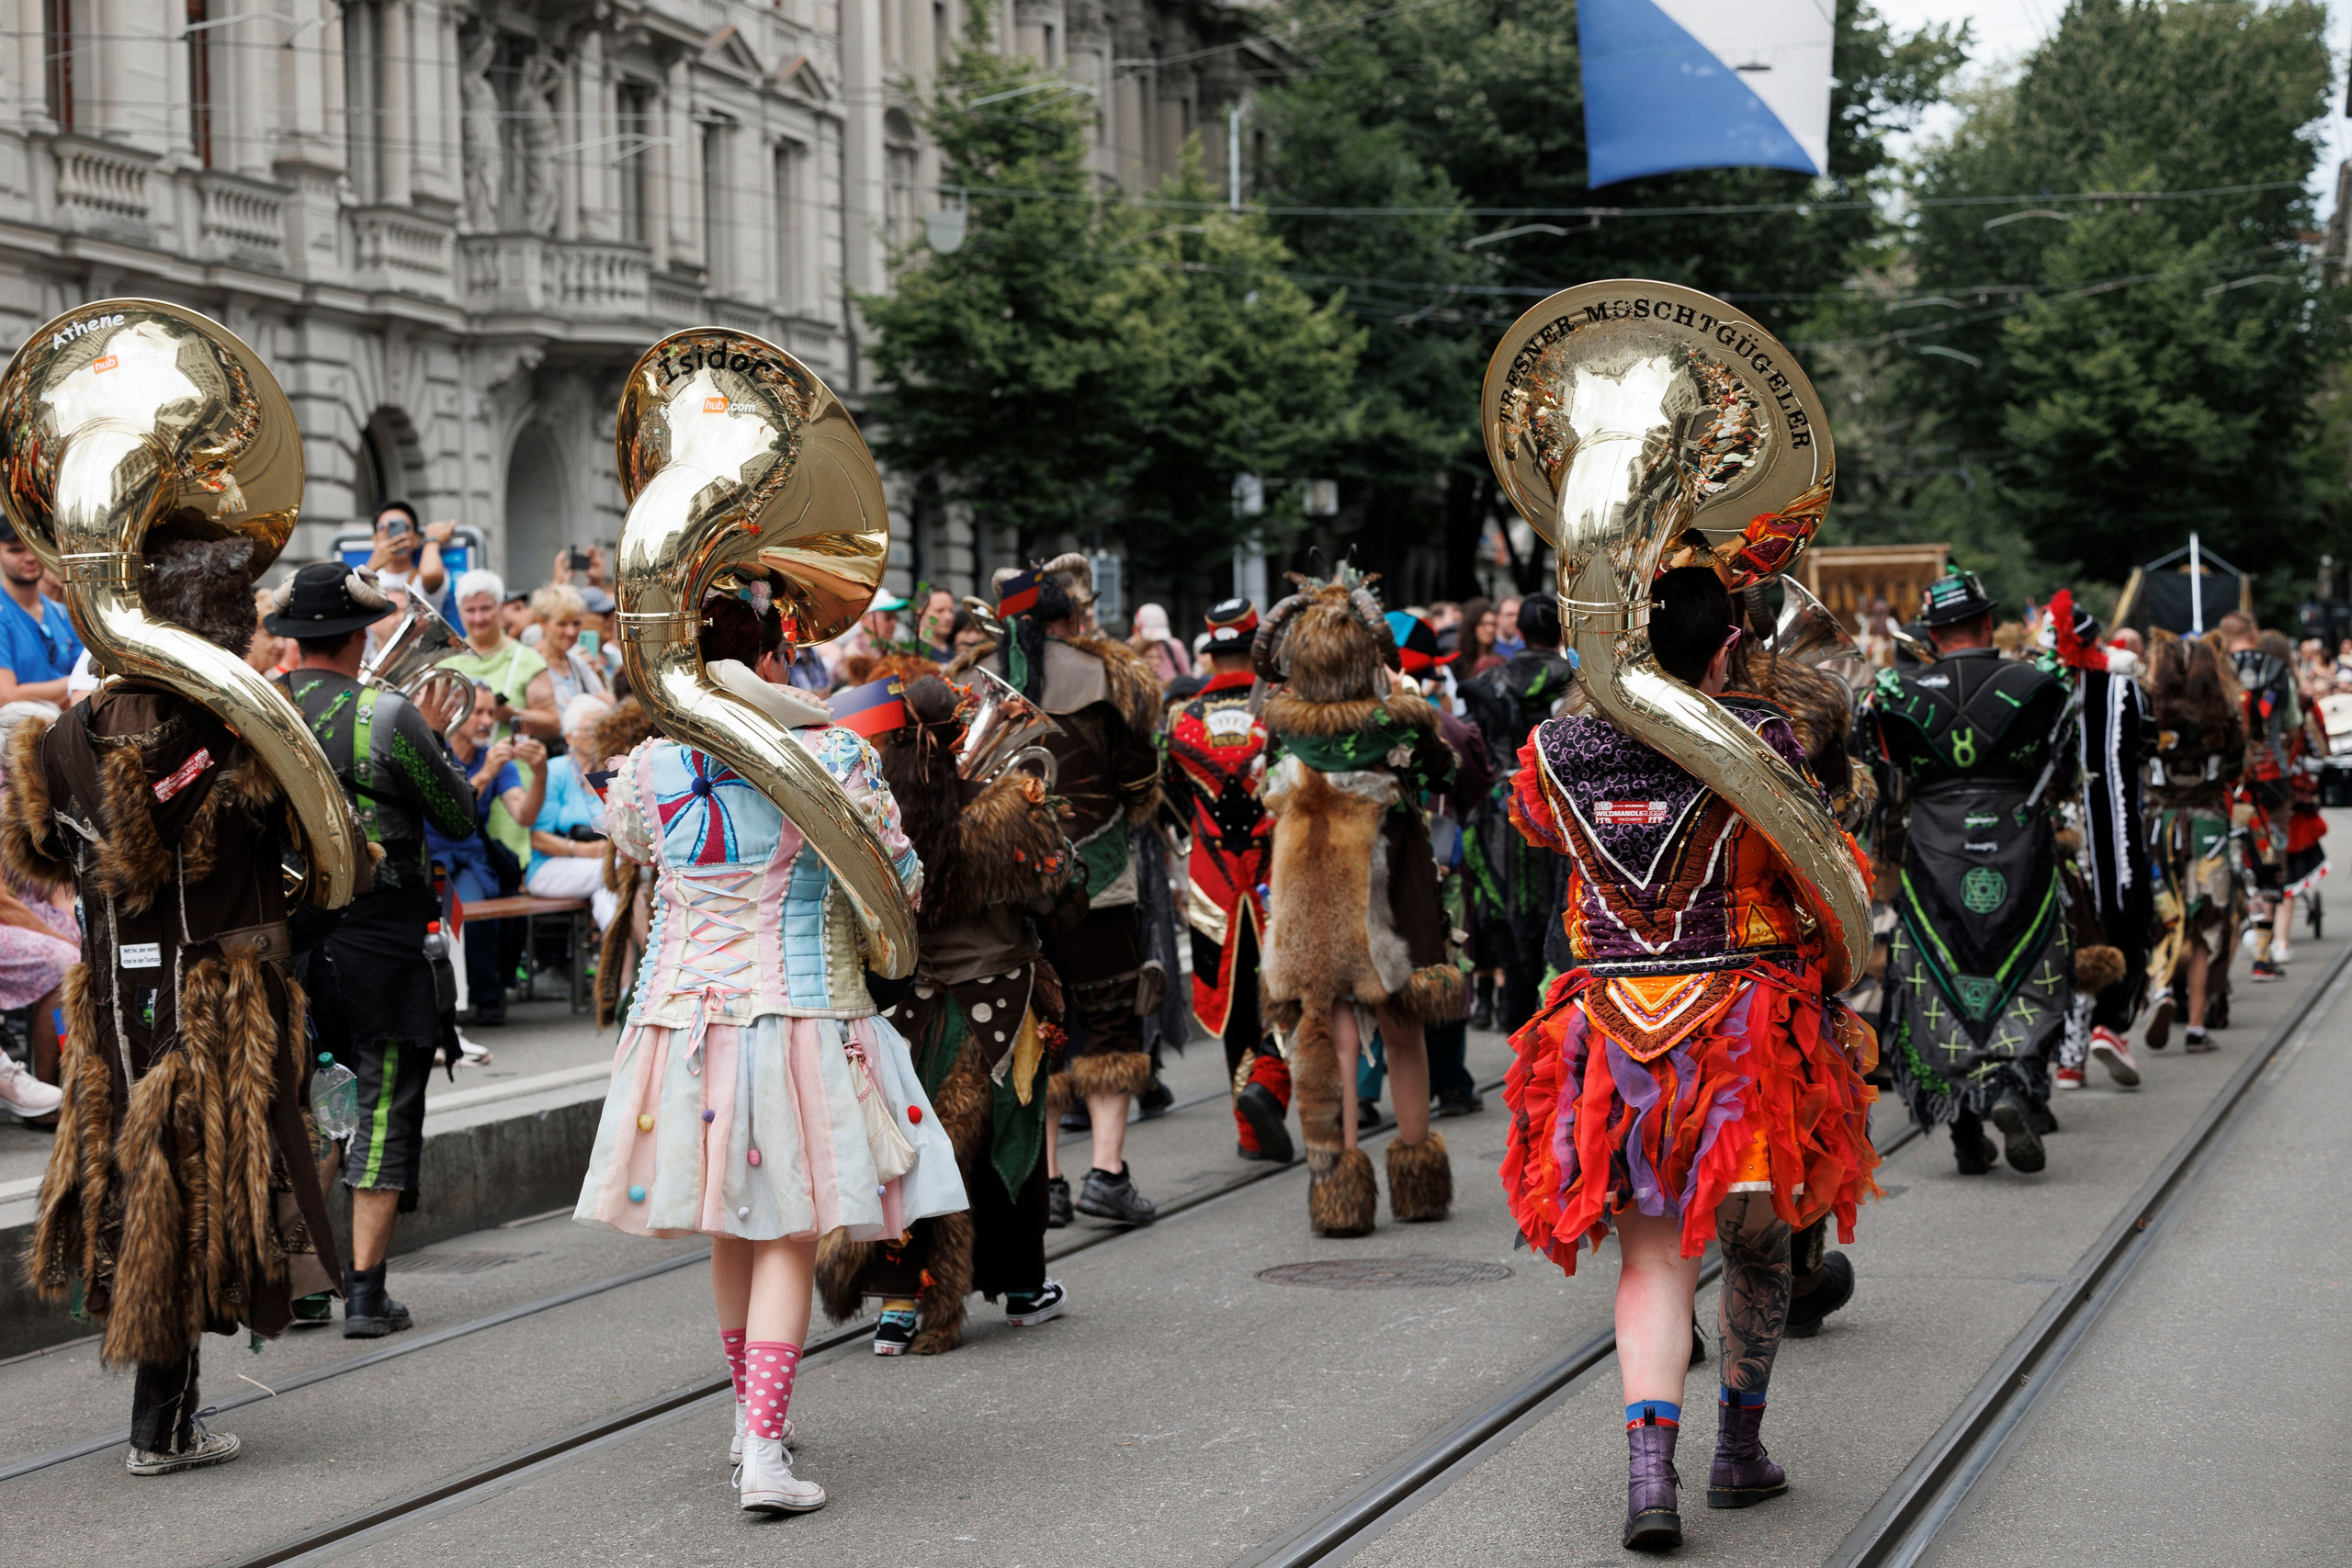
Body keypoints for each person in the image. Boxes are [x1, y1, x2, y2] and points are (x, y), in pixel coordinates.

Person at [1498, 567, 1879, 1551]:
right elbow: (1818, 869)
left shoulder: (1551, 747)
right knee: (1758, 1247)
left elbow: (1541, 833)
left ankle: (1647, 1478)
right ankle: (1735, 1453)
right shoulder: (1759, 737)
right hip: (1742, 1029)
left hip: (1611, 1027)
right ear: (1723, 649)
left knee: (1653, 1262)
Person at [573, 590, 962, 1514]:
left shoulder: (652, 763)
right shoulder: (833, 752)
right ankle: (763, 1450)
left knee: (729, 1223)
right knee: (789, 1223)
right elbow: (901, 877)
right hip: (799, 1013)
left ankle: (753, 1420)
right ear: (775, 654)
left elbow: (632, 839)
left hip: (679, 1021)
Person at [3, 535, 348, 1474]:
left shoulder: (71, 730)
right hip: (219, 995)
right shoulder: (233, 724)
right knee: (206, 1190)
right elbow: (329, 856)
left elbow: (39, 852)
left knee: (138, 1177)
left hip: (116, 992)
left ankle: (166, 1414)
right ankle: (164, 1426)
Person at [819, 673, 1077, 1352]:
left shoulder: (872, 820)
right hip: (1000, 1007)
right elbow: (1059, 889)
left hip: (910, 1010)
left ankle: (900, 1306)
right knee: (1007, 1150)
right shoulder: (1007, 810)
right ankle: (1021, 1289)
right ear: (956, 738)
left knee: (905, 1149)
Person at [272, 564, 479, 1333]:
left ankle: (296, 1281)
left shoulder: (255, 709)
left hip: (289, 941)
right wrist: (439, 738)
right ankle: (365, 1291)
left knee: (301, 1104)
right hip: (382, 937)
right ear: (360, 636)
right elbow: (457, 817)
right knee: (384, 1099)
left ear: (291, 640)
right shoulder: (389, 714)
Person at [959, 557, 1165, 1225]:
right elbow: (1140, 782)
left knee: (1033, 1022)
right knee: (1108, 1017)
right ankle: (1106, 1173)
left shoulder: (966, 681)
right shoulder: (1111, 673)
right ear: (1069, 617)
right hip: (1098, 878)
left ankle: (1045, 1181)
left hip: (1007, 889)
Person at [1254, 569, 1461, 1235]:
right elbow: (1443, 773)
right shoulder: (1393, 724)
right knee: (1402, 1021)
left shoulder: (1283, 727)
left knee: (1332, 1016)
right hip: (1386, 875)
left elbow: (1263, 786)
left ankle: (1341, 1178)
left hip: (1309, 880)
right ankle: (1417, 1176)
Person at [1867, 568, 2079, 1175]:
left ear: (1932, 633)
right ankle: (2011, 1087)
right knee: (2032, 966)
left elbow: (1884, 788)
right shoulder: (2041, 683)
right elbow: (2064, 775)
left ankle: (1962, 1126)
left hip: (1934, 847)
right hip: (2020, 845)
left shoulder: (1892, 691)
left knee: (1937, 979)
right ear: (1987, 623)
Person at [1163, 599, 1290, 1162]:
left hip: (1213, 880)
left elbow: (1169, 806)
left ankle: (1248, 1129)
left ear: (1210, 649)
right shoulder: (1280, 710)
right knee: (1290, 989)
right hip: (1275, 873)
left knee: (1233, 1001)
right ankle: (1271, 1080)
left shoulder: (1181, 720)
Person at [1459, 596, 1577, 1033]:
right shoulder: (1578, 680)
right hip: (1561, 816)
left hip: (1501, 820)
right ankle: (1552, 1031)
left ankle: (1517, 1033)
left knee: (1508, 925)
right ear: (1559, 633)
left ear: (1521, 632)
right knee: (1560, 921)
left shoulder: (1488, 683)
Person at [2046, 593, 2150, 1089]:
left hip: (2056, 833)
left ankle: (2068, 1057)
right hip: (2118, 835)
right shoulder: (2125, 691)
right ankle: (2110, 1025)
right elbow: (2148, 740)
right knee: (2123, 925)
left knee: (2070, 933)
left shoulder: (2040, 688)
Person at [2143, 632, 2245, 1054]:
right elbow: (2236, 770)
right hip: (2209, 829)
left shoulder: (2150, 714)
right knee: (2206, 929)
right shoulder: (2223, 716)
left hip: (2161, 826)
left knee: (2164, 916)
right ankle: (2198, 1026)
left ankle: (2163, 990)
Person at [439, 682, 548, 1026]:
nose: (487, 721)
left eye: (492, 713)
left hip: (471, 857)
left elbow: (524, 815)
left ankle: (489, 996)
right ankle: (450, 1003)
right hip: (433, 854)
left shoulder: (497, 760)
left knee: (478, 904)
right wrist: (485, 774)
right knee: (452, 903)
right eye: (478, 712)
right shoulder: (435, 750)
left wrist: (541, 773)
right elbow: (445, 817)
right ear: (457, 714)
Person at [527, 694, 618, 930]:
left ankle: (621, 964)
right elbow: (538, 839)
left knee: (610, 900)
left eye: (604, 728)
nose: (600, 735)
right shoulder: (555, 771)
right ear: (570, 737)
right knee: (618, 872)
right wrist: (583, 850)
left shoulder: (610, 773)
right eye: (592, 729)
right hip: (552, 866)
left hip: (601, 867)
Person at [0, 518, 83, 705]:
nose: (30, 557)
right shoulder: (3, 614)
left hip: (66, 725)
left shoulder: (63, 614)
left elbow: (88, 682)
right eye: (16, 550)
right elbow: (6, 697)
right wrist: (73, 683)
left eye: (33, 547)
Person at [532, 584, 614, 711]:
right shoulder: (529, 664)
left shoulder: (579, 663)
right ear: (542, 623)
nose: (571, 632)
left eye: (576, 623)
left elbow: (604, 701)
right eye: (562, 624)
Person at [361, 501, 451, 604]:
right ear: (374, 539)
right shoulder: (359, 576)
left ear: (416, 539)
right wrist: (373, 565)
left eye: (403, 527)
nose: (395, 535)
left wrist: (432, 540)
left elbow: (431, 575)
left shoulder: (421, 580)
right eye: (383, 527)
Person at [1129, 603, 1193, 688]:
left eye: (1158, 657)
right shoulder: (1125, 651)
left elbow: (1188, 680)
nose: (1156, 662)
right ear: (1135, 630)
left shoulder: (1174, 647)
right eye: (1149, 657)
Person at [915, 586, 958, 662]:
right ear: (919, 613)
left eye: (951, 610)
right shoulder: (911, 654)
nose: (948, 617)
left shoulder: (956, 654)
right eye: (939, 611)